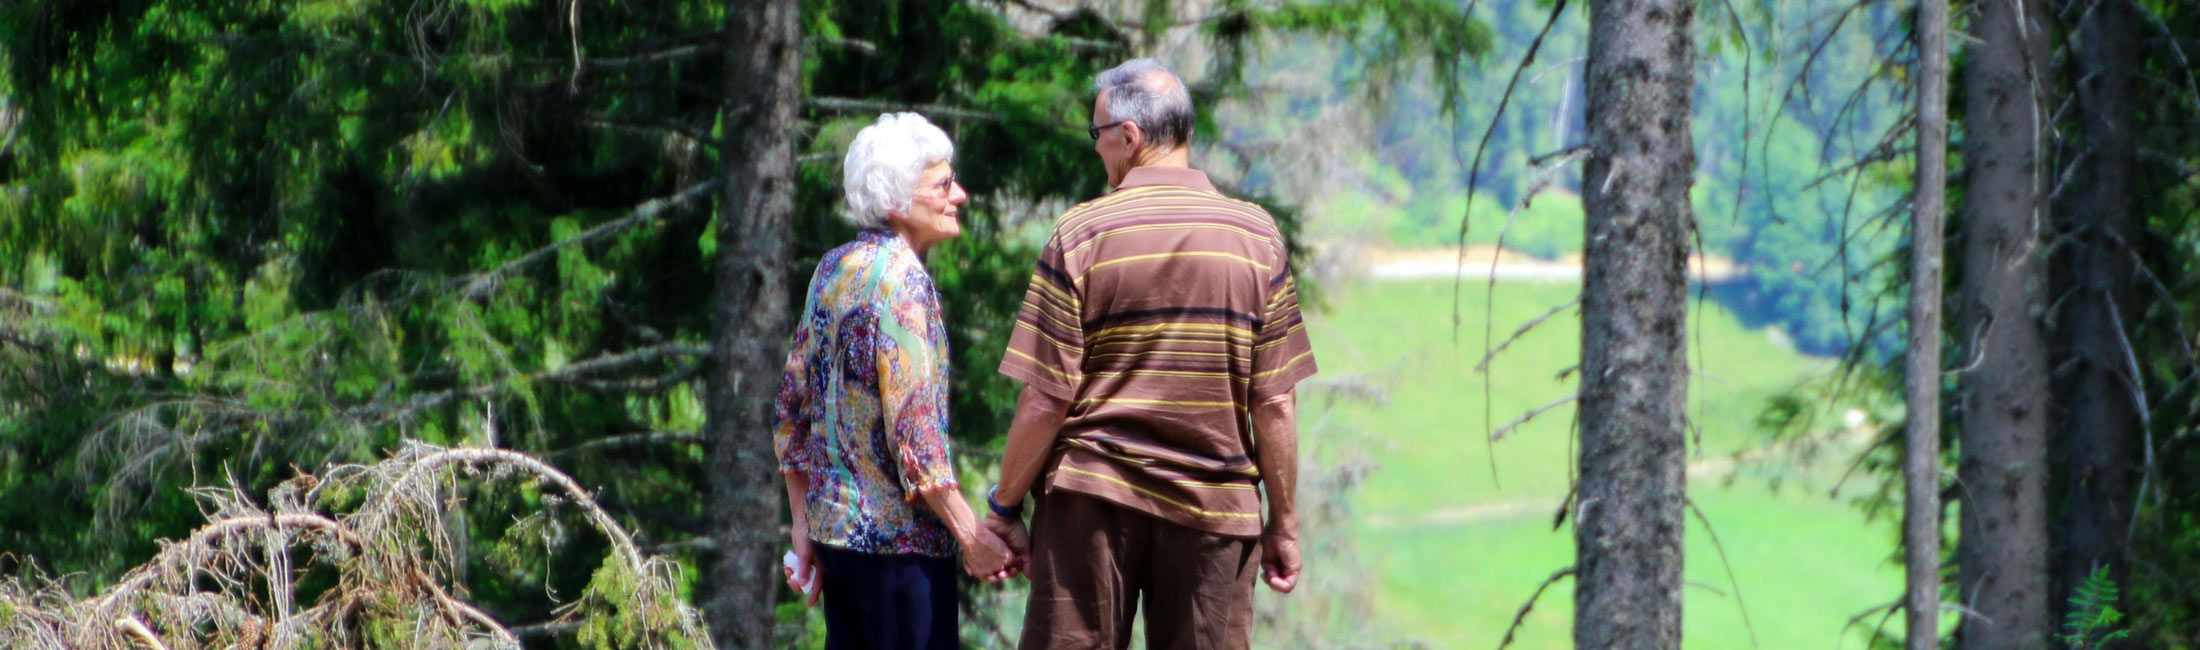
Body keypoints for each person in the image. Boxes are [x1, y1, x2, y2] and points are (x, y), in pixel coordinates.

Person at [979, 58, 1320, 649]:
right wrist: (1284, 524)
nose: (1097, 152)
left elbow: (1044, 400)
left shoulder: (1081, 234)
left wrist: (1002, 507)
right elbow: (1276, 403)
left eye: (1097, 136)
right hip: (1214, 511)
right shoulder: (1257, 238)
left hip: (1091, 504)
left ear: (1130, 137)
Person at [773, 112, 1016, 650]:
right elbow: (918, 444)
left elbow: (790, 412)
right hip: (901, 558)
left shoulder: (833, 269)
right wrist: (973, 538)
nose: (961, 195)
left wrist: (801, 527)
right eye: (944, 185)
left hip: (839, 547)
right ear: (898, 203)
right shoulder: (906, 284)